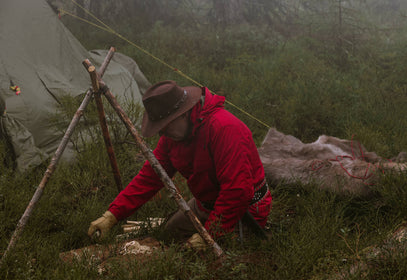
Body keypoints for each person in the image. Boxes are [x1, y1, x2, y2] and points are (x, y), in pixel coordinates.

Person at [88, 80, 272, 250]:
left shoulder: (224, 129)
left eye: (165, 126)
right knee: (169, 236)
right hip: (207, 204)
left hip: (244, 210)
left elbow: (238, 191)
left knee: (204, 259)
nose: (163, 134)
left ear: (183, 113)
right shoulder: (173, 137)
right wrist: (112, 215)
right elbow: (151, 176)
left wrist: (209, 235)